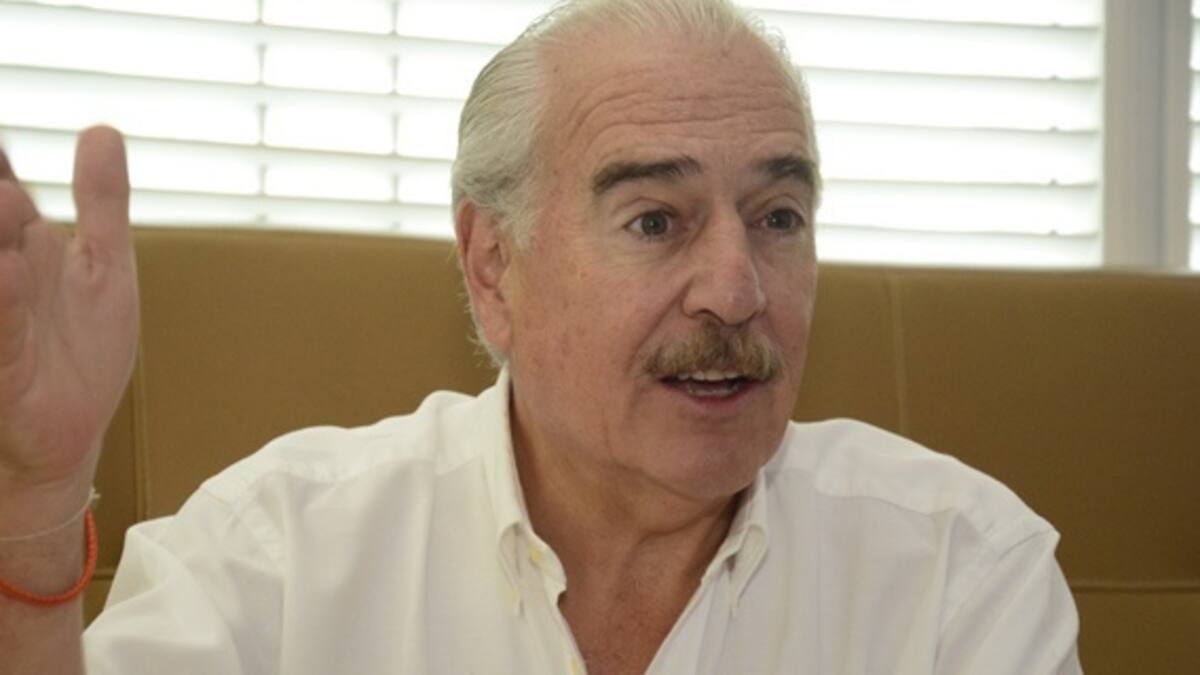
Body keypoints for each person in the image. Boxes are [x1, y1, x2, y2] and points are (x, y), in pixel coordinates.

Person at [0, 0, 1082, 673]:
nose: (736, 290)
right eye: (655, 220)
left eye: (778, 218)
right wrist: (38, 507)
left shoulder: (960, 575)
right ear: (493, 268)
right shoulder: (278, 558)